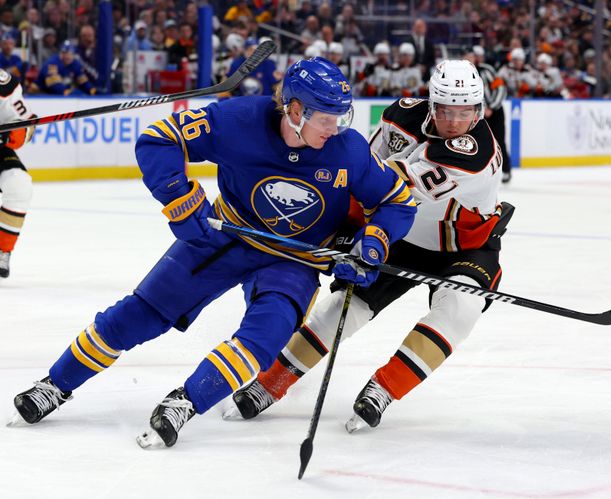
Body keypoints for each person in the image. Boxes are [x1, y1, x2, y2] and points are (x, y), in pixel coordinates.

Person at [10, 58, 416, 449]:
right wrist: (180, 199)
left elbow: (399, 201)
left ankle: (185, 403)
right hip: (224, 238)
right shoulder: (238, 121)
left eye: (341, 117)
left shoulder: (349, 151)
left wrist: (373, 243)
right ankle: (55, 384)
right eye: (327, 118)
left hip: (291, 261)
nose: (337, 128)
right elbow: (159, 139)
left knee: (264, 338)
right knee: (140, 314)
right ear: (295, 109)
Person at [226, 60, 511, 433]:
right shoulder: (400, 116)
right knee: (346, 305)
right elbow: (363, 170)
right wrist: (349, 227)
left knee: (461, 307)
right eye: (446, 111)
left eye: (466, 112)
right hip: (402, 236)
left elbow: (393, 186)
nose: (456, 122)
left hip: (466, 247)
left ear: (479, 109)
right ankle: (270, 383)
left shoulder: (475, 152)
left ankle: (384, 389)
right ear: (431, 104)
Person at [0, 68, 36, 278]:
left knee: (19, 184)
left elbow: (28, 125)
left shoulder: (4, 83)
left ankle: (2, 250)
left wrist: (10, 133)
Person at [466, 46, 511, 183]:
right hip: (478, 114)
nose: (468, 58)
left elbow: (501, 88)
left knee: (499, 141)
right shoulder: (462, 75)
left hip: (495, 112)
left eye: (470, 55)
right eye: (465, 56)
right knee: (477, 143)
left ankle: (506, 170)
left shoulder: (487, 70)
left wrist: (492, 107)